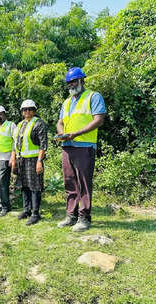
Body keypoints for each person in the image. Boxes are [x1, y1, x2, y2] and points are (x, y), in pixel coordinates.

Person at [55, 67, 105, 232]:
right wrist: (62, 133)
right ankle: (71, 215)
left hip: (84, 147)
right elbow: (60, 122)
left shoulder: (93, 96)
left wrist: (76, 133)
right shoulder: (67, 102)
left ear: (82, 80)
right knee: (69, 182)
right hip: (67, 146)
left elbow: (98, 120)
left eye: (73, 81)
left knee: (83, 182)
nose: (70, 85)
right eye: (68, 83)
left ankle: (84, 217)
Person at [11, 100, 48, 225]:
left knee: (35, 186)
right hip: (21, 159)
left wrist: (39, 161)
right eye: (25, 110)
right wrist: (14, 159)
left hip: (33, 159)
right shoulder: (20, 125)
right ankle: (26, 209)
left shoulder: (38, 123)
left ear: (34, 110)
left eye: (30, 109)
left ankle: (35, 213)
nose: (27, 112)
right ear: (22, 112)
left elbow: (43, 145)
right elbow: (15, 144)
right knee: (24, 185)